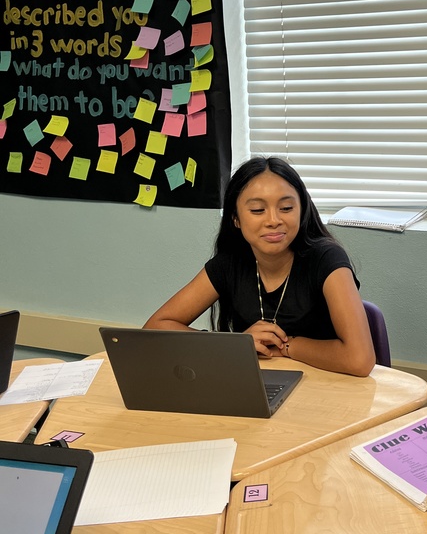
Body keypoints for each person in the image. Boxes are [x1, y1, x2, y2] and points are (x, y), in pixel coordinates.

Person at [144, 156, 376, 376]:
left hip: (330, 392)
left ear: (302, 210)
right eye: (257, 210)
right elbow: (154, 328)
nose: (274, 220)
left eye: (286, 208)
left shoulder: (326, 259)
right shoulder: (230, 262)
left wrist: (288, 347)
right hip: (256, 387)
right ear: (236, 218)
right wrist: (235, 344)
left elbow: (360, 359)